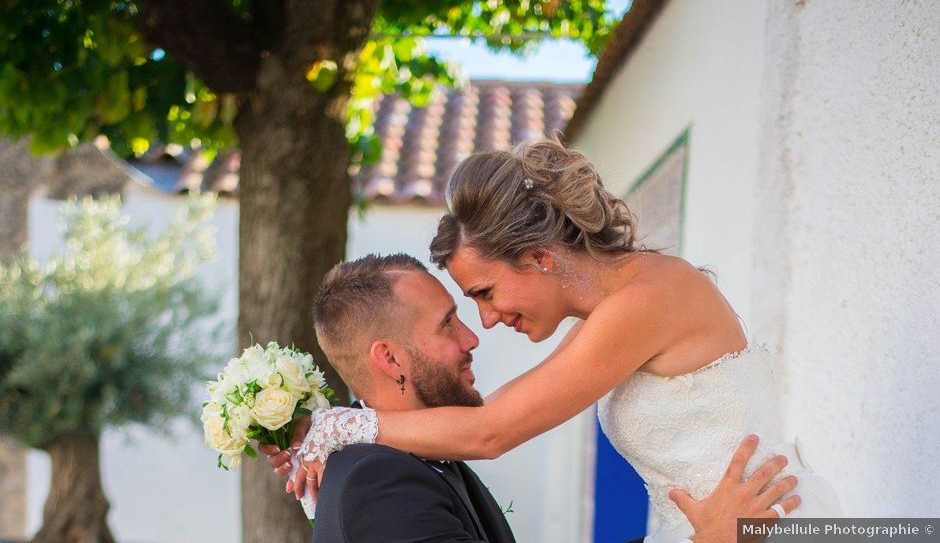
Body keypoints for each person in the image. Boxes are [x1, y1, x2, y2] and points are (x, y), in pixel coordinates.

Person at [298, 135, 842, 542]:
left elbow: (491, 432)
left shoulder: (648, 299)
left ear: (539, 257)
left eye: (486, 292)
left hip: (763, 523)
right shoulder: (606, 316)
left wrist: (342, 425)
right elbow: (491, 416)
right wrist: (333, 436)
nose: (485, 322)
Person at [265, 253, 804, 543]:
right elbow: (492, 431)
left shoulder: (398, 462)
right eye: (449, 322)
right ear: (390, 359)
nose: (475, 335)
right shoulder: (377, 481)